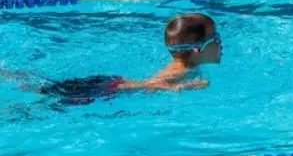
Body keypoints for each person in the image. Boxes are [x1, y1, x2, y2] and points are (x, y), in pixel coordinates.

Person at [17, 13, 221, 105]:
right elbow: (151, 85)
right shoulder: (183, 71)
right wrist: (182, 87)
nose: (220, 44)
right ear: (198, 49)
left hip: (109, 83)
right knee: (42, 103)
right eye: (215, 39)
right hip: (108, 89)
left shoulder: (185, 66)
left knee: (45, 88)